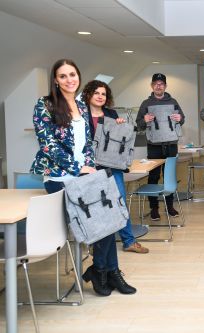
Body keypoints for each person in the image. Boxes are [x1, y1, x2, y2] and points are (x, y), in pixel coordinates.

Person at [31, 59, 136, 296]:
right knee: (97, 223)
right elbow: (47, 145)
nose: (69, 80)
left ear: (78, 77)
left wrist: (88, 164)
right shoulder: (45, 105)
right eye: (63, 76)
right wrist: (78, 167)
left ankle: (106, 271)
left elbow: (89, 143)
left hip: (85, 172)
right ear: (55, 80)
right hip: (59, 176)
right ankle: (103, 271)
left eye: (73, 74)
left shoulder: (81, 105)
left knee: (109, 220)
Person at [82, 80, 149, 254]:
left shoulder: (111, 114)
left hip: (112, 166)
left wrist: (120, 125)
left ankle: (129, 241)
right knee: (95, 206)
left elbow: (121, 136)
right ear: (88, 94)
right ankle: (96, 243)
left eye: (103, 94)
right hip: (89, 167)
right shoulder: (81, 115)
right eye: (96, 93)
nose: (100, 96)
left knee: (119, 203)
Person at [136, 73, 185, 221]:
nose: (159, 86)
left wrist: (180, 118)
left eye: (161, 83)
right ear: (152, 86)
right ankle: (154, 208)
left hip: (171, 144)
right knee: (154, 176)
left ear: (165, 86)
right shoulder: (146, 103)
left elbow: (182, 119)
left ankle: (169, 206)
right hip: (154, 145)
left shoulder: (173, 101)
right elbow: (139, 124)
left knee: (169, 177)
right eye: (156, 83)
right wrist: (144, 120)